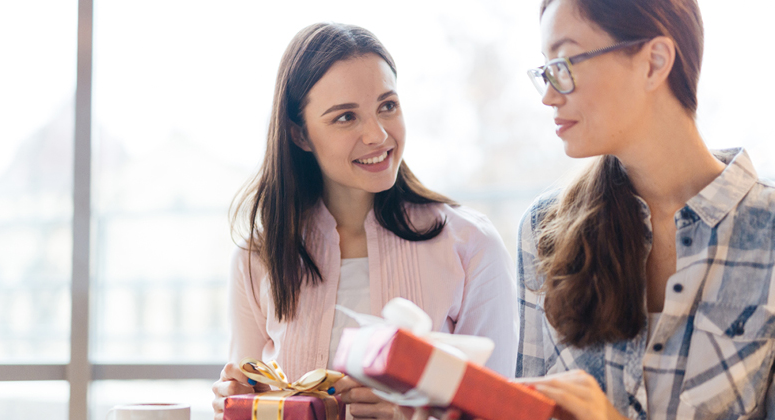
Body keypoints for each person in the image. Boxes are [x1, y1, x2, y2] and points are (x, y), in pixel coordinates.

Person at [211, 22, 518, 420]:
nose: (377, 135)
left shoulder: (471, 244)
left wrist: (412, 414)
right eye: (345, 118)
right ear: (299, 134)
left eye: (387, 106)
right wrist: (237, 400)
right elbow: (251, 402)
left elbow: (501, 412)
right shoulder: (256, 260)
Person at [515, 0, 775, 419]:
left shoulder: (768, 234)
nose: (548, 95)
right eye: (545, 71)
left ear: (654, 62)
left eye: (564, 64)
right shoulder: (544, 230)